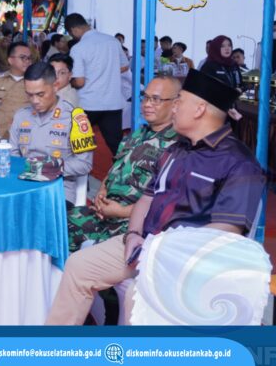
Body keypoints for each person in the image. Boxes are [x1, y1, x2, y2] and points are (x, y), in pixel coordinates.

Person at [46, 69, 265, 325]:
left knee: (136, 296)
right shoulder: (177, 149)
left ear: (199, 110)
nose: (174, 109)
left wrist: (162, 249)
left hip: (184, 259)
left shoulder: (239, 163)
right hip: (142, 243)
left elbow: (227, 231)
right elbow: (147, 198)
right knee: (78, 266)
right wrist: (133, 234)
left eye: (179, 101)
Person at [66, 76, 179, 253]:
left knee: (90, 255)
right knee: (59, 223)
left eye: (156, 99)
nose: (147, 104)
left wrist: (119, 211)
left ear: (175, 104)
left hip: (135, 223)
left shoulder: (178, 147)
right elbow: (114, 169)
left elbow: (166, 204)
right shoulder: (136, 135)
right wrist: (101, 193)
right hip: (106, 213)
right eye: (145, 97)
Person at [9, 62, 93, 205]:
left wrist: (49, 168)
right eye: (29, 95)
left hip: (58, 191)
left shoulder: (76, 119)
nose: (35, 101)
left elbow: (84, 164)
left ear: (55, 86)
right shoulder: (21, 116)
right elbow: (13, 155)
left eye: (40, 94)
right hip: (23, 187)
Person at [65, 13, 129, 157]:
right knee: (116, 146)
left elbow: (79, 82)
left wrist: (70, 81)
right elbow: (125, 66)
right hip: (112, 102)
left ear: (74, 30)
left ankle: (79, 169)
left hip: (88, 103)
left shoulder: (79, 48)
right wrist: (108, 72)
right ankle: (123, 170)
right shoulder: (113, 41)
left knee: (79, 143)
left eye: (71, 34)